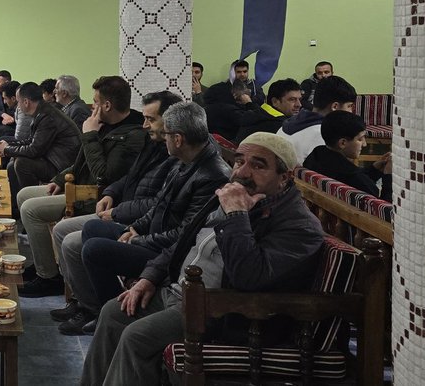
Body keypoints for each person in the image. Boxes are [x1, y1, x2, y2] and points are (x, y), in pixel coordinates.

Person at [80, 132, 325, 385]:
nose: (242, 172)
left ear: (284, 177)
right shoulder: (233, 196)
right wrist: (149, 278)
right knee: (113, 312)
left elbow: (249, 278)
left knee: (137, 336)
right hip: (181, 293)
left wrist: (237, 215)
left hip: (224, 312)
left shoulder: (299, 226)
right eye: (239, 161)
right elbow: (182, 241)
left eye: (258, 165)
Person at [71, 102, 230, 335]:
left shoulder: (212, 175)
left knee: (94, 250)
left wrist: (138, 241)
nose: (161, 137)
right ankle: (103, 306)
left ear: (178, 139)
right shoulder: (185, 161)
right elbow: (159, 204)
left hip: (169, 253)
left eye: (166, 134)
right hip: (153, 236)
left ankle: (111, 311)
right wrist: (136, 228)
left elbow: (187, 235)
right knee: (94, 228)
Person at [49, 91, 182, 336]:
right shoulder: (150, 142)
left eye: (150, 119)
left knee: (71, 241)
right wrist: (111, 192)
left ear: (171, 121)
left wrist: (90, 135)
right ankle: (83, 301)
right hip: (126, 212)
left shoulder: (171, 152)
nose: (144, 125)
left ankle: (97, 310)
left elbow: (104, 174)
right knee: (66, 232)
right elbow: (126, 179)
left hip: (137, 222)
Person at [16, 76, 146, 299]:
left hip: (92, 195)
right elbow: (81, 162)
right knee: (24, 194)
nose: (92, 106)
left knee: (31, 208)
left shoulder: (131, 135)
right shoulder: (105, 125)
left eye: (95, 102)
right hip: (75, 183)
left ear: (107, 105)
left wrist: (90, 136)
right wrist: (58, 180)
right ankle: (42, 263)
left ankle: (48, 277)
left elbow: (103, 177)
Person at [0, 82, 81, 201]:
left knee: (22, 163)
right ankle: (15, 208)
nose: (18, 106)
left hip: (63, 166)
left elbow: (34, 149)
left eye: (19, 102)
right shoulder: (42, 111)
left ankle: (31, 201)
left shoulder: (47, 116)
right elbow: (32, 140)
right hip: (53, 159)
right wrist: (8, 146)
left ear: (26, 102)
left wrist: (7, 150)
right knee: (12, 164)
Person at [302, 110, 392, 200]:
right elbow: (384, 209)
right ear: (343, 143)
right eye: (360, 139)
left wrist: (374, 169)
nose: (364, 144)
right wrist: (389, 176)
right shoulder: (353, 177)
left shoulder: (316, 155)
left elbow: (354, 178)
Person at [277, 75, 357, 162]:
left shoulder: (287, 124)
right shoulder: (324, 134)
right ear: (335, 106)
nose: (350, 112)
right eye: (349, 106)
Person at [233, 78, 303, 143]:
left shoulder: (259, 114)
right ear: (275, 102)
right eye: (292, 99)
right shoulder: (280, 127)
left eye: (299, 99)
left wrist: (249, 103)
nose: (299, 105)